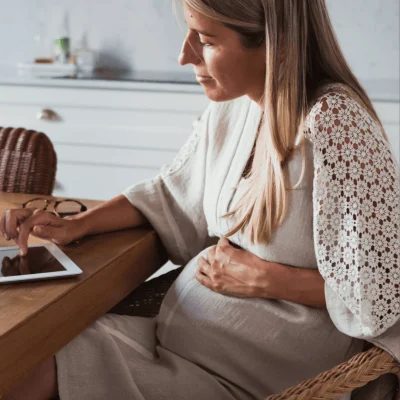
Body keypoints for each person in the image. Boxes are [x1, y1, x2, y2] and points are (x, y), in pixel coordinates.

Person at [1, 0, 399, 399]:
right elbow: (174, 192)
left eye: (206, 40)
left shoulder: (336, 125)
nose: (183, 55)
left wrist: (269, 280)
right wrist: (78, 224)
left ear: (274, 44)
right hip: (176, 342)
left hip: (248, 378)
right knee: (20, 362)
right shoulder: (236, 107)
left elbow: (381, 298)